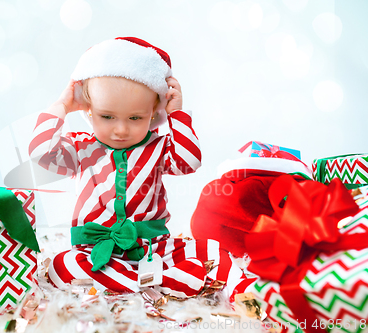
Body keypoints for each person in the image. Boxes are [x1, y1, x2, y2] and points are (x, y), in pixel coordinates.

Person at [29, 37, 249, 298]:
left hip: (155, 248)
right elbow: (41, 153)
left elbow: (190, 161)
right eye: (107, 116)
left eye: (135, 118)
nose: (121, 129)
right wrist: (62, 106)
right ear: (88, 110)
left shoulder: (159, 147)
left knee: (213, 252)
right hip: (96, 252)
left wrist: (176, 114)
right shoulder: (80, 148)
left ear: (154, 112)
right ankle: (158, 282)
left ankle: (244, 293)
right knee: (60, 266)